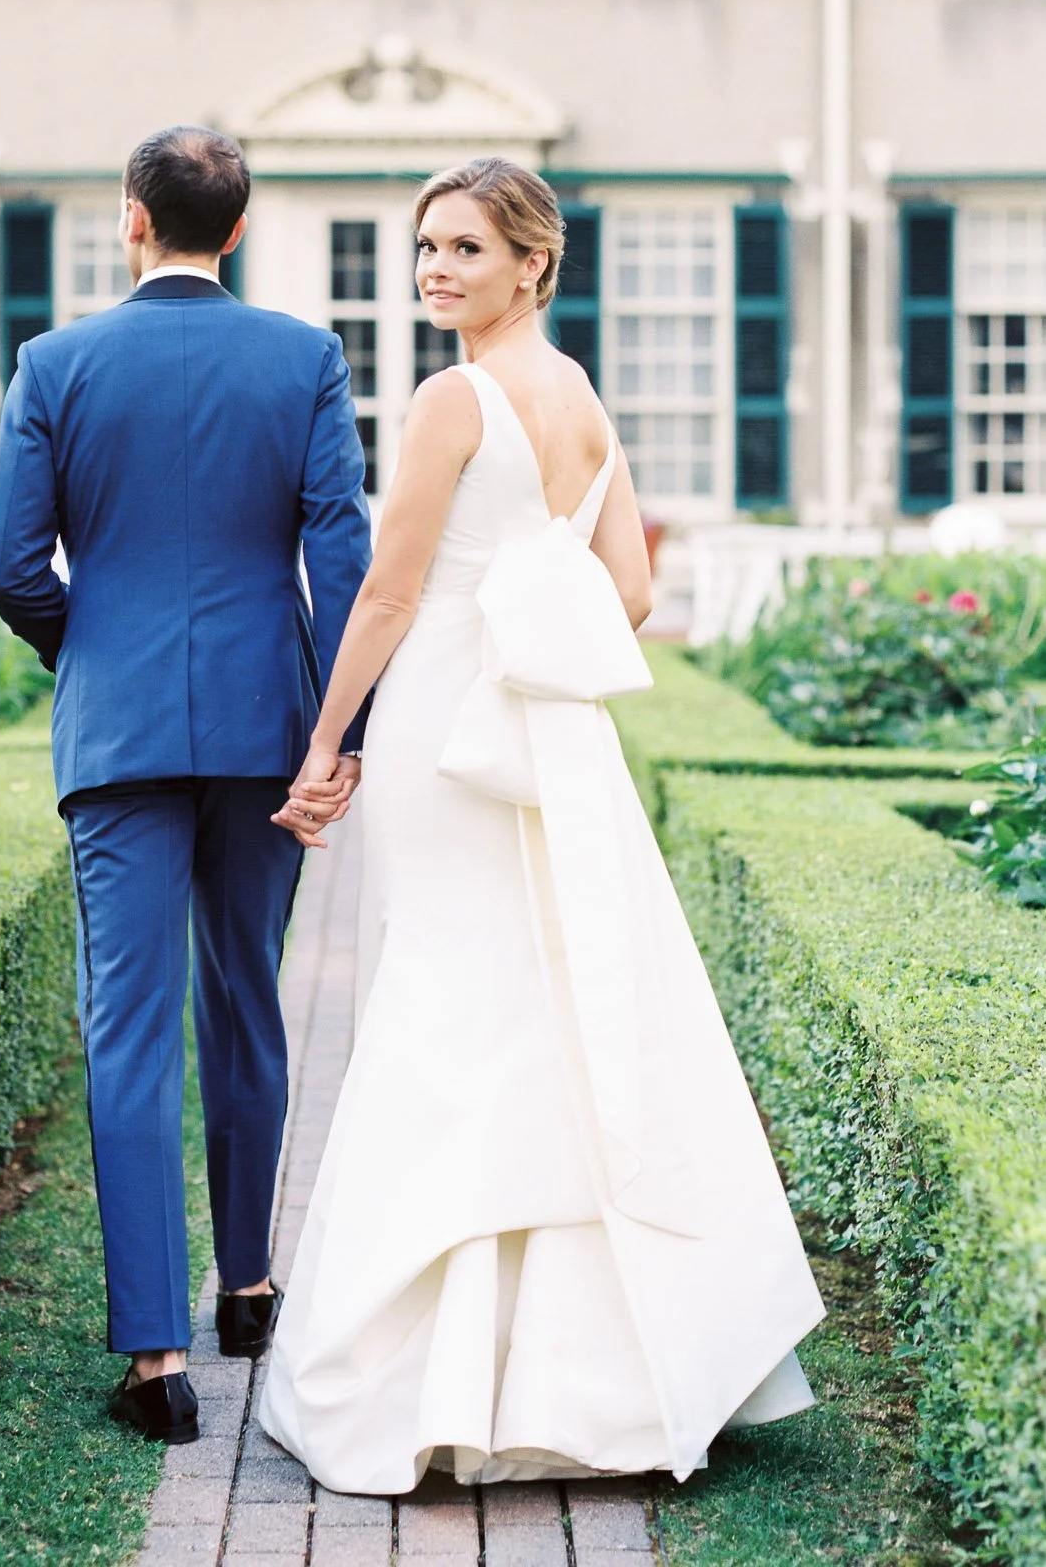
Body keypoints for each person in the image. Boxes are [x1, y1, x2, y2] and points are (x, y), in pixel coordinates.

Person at [258, 158, 826, 1492]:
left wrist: (323, 741)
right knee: (561, 1015)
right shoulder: (582, 404)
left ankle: (442, 1380)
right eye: (427, 248)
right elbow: (626, 589)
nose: (437, 270)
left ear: (532, 263)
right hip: (551, 740)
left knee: (450, 1013)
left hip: (448, 739)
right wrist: (532, 614)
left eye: (465, 248)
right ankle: (597, 1377)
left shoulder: (452, 398)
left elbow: (388, 599)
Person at [0, 126, 372, 1447]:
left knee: (130, 1028)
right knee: (246, 1002)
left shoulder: (56, 364)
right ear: (238, 230)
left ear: (132, 220)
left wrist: (85, 653)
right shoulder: (305, 358)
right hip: (269, 728)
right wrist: (337, 730)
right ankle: (249, 1287)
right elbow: (347, 560)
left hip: (118, 734)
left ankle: (156, 1359)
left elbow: (11, 567)